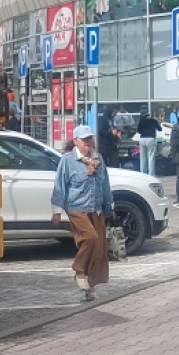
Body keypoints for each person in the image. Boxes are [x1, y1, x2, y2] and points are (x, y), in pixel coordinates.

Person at [51, 124, 114, 301]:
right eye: (85, 139)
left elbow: (105, 183)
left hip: (97, 208)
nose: (89, 142)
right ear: (75, 141)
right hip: (76, 207)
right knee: (90, 238)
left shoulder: (98, 158)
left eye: (90, 139)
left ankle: (90, 288)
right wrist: (57, 209)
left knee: (98, 249)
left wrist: (110, 204)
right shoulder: (68, 160)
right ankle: (79, 270)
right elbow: (60, 185)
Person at [137, 110, 162, 176]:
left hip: (142, 139)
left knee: (143, 157)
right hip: (151, 139)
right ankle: (151, 175)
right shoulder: (153, 121)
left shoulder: (141, 121)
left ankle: (143, 174)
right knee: (151, 157)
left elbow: (139, 131)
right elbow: (160, 129)